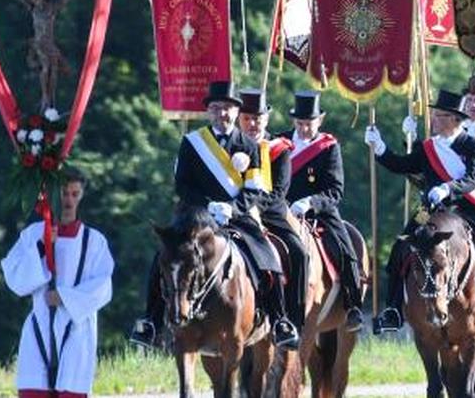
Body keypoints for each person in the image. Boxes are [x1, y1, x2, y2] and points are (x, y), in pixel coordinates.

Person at [129, 80, 298, 349]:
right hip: (196, 215)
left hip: (237, 216)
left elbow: (254, 189)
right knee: (164, 256)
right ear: (209, 111)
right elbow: (182, 185)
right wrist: (208, 205)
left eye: (227, 108)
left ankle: (279, 320)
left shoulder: (250, 145)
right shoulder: (192, 142)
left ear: (236, 111)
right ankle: (151, 321)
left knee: (269, 258)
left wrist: (233, 208)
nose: (222, 114)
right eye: (217, 108)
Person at [367, 88, 475, 333]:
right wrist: (380, 148)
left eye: (439, 116)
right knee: (400, 248)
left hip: (465, 206)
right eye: (435, 115)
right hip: (429, 209)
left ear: (455, 120)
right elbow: (402, 165)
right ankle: (393, 309)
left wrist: (447, 188)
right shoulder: (428, 147)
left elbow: (474, 177)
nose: (434, 120)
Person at [2, 168, 114, 398]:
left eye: (75, 194)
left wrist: (65, 297)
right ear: (54, 194)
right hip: (40, 325)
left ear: (81, 196)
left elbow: (104, 286)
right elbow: (14, 278)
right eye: (64, 193)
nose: (69, 201)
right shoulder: (33, 234)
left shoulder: (94, 241)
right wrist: (42, 247)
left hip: (77, 330)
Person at [282, 91, 363, 331]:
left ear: (320, 120)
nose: (304, 129)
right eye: (300, 123)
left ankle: (352, 304)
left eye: (309, 124)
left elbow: (335, 190)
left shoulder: (328, 147)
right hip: (282, 209)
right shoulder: (280, 142)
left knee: (345, 249)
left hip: (318, 211)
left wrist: (310, 202)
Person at [236, 88, 308, 342]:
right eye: (247, 118)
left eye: (257, 119)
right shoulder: (228, 145)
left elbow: (279, 191)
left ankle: (291, 319)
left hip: (270, 213)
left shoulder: (279, 148)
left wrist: (254, 206)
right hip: (233, 214)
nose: (252, 124)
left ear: (266, 119)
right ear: (239, 119)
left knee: (298, 252)